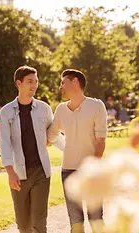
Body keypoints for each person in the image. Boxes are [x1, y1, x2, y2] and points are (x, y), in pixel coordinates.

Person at [0, 65, 63, 233]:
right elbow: (4, 142)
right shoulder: (6, 112)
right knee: (23, 223)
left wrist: (74, 151)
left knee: (39, 222)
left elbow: (54, 134)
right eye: (29, 81)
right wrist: (10, 171)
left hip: (41, 172)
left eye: (36, 81)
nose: (34, 85)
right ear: (18, 83)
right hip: (19, 174)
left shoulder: (44, 108)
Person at [47, 69, 107, 233]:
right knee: (76, 222)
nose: (60, 87)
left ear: (75, 82)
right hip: (69, 171)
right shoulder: (60, 109)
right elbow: (50, 136)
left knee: (96, 219)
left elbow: (101, 140)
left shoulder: (96, 105)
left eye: (63, 82)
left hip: (91, 171)